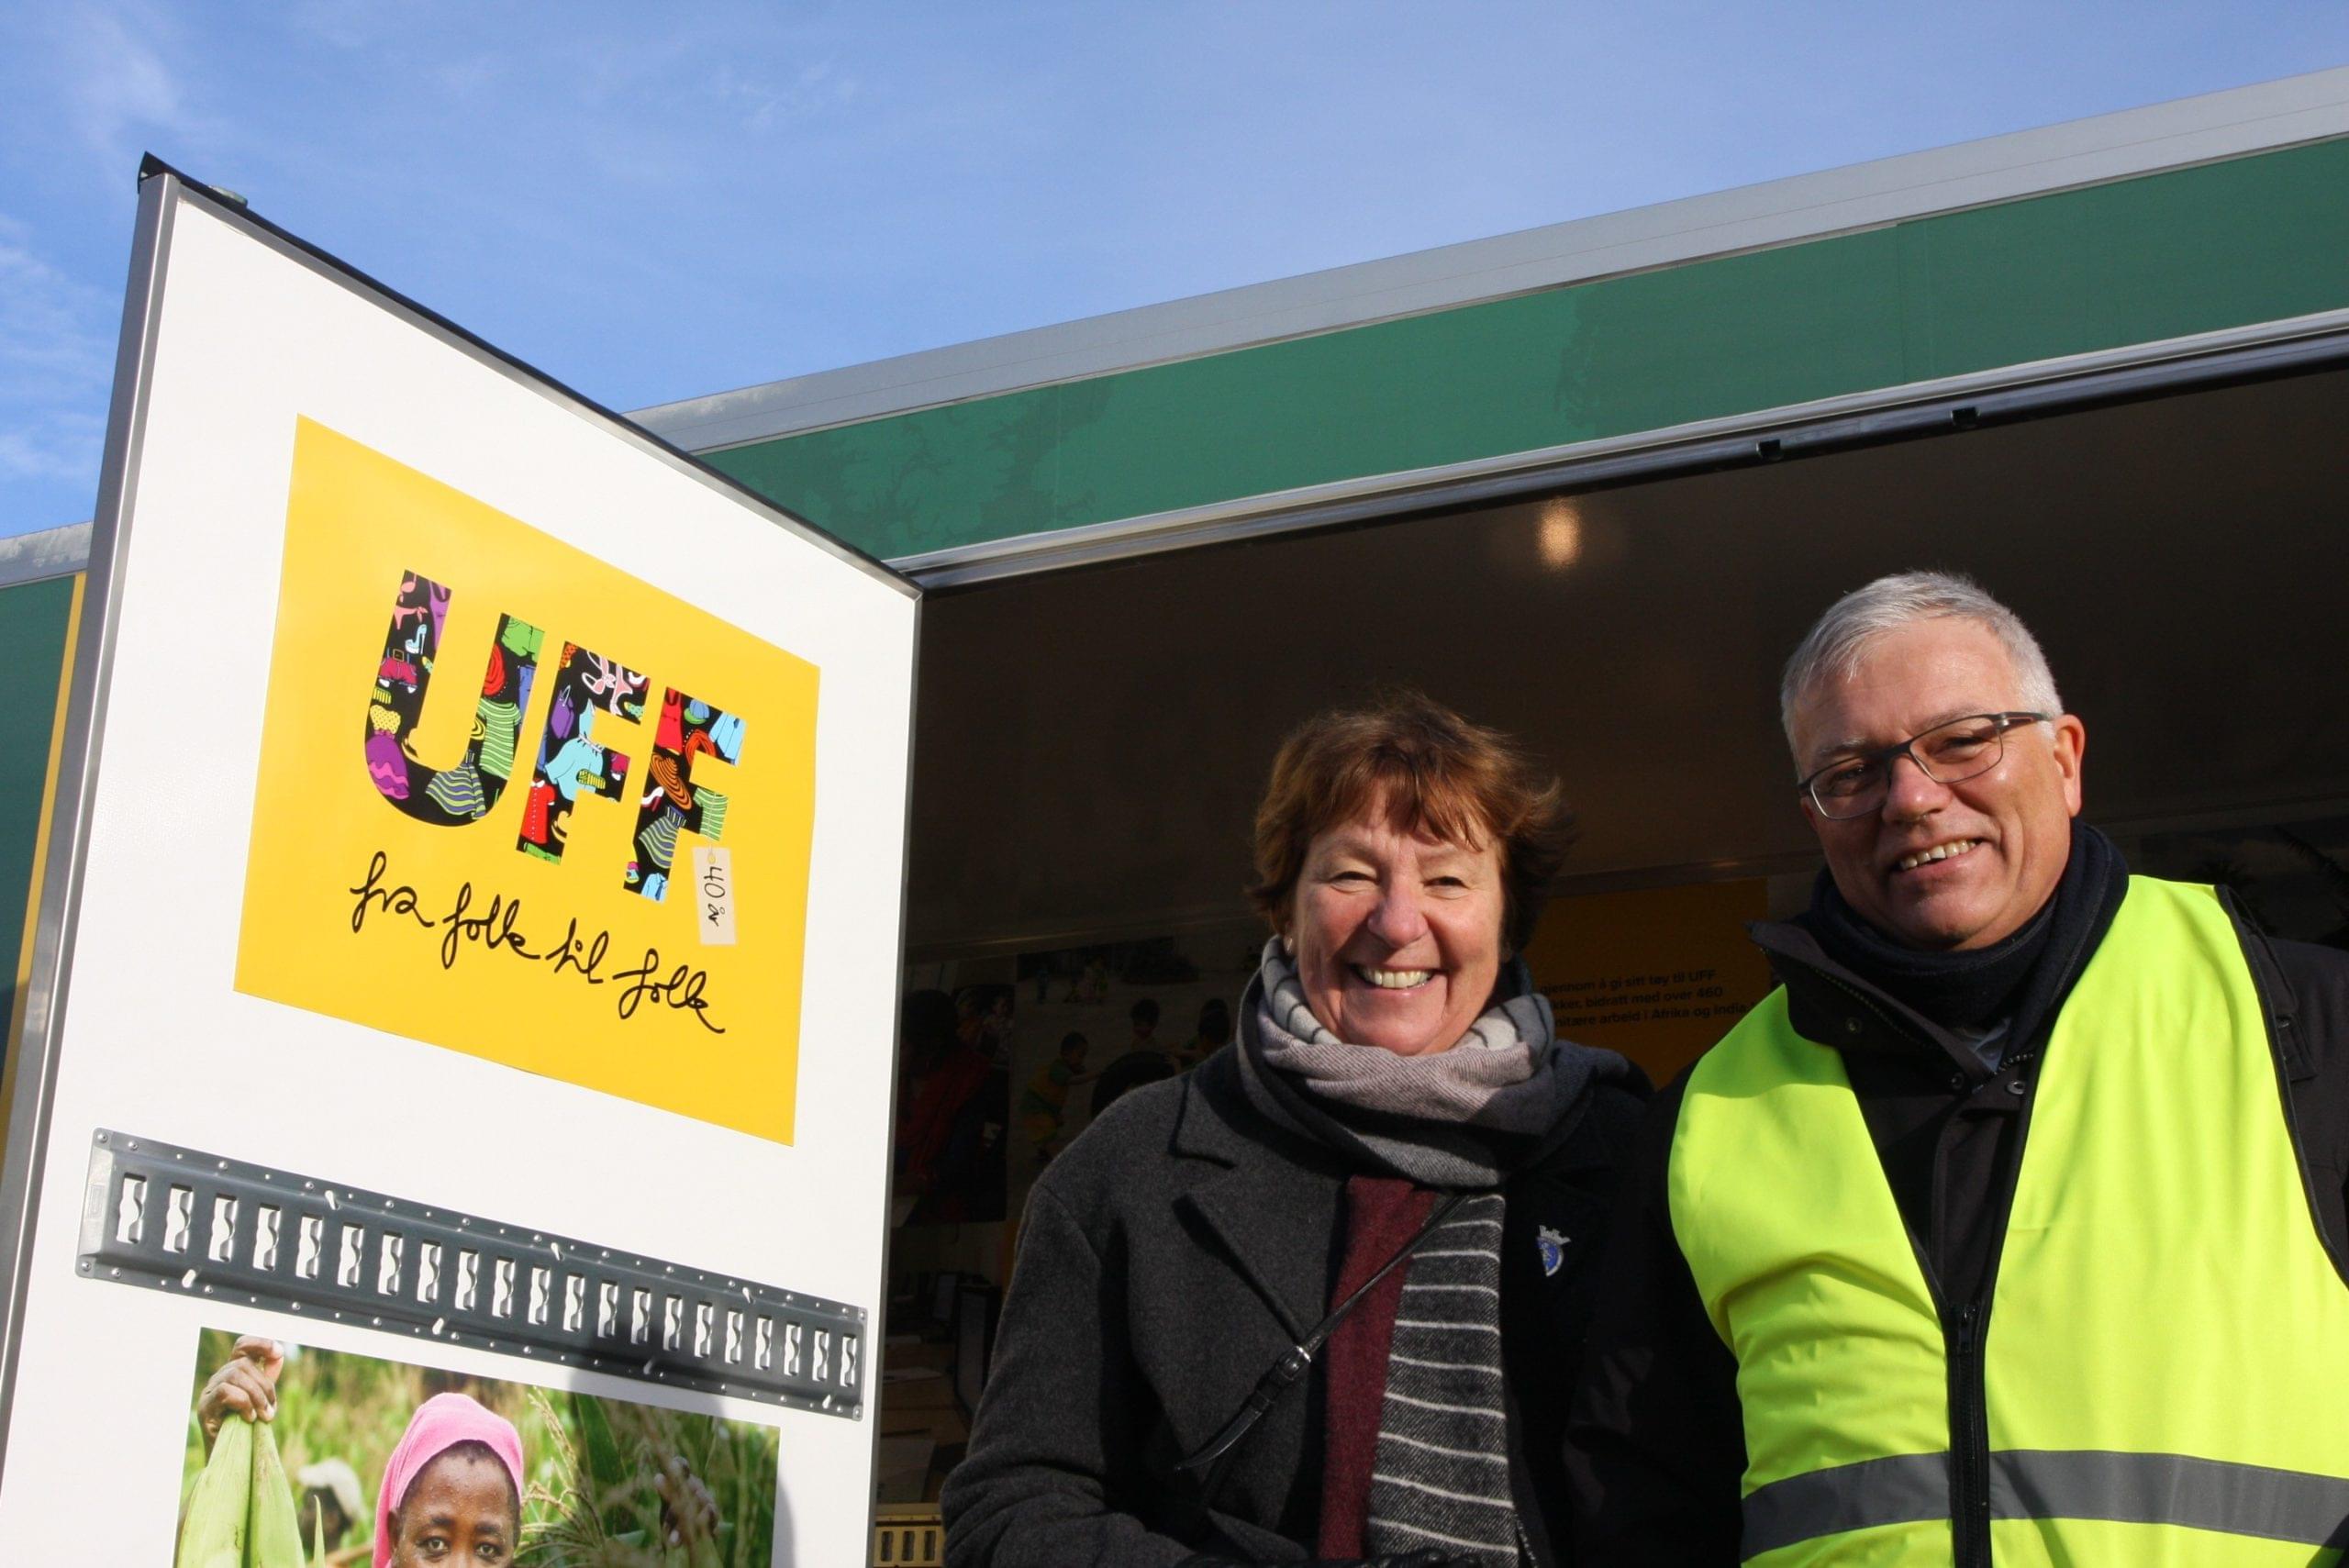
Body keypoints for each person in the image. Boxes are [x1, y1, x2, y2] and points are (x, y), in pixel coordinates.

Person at [1566, 571, 2349, 1563]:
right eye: (1849, 771)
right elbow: (1643, 1498)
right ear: (1813, 813)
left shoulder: (2309, 1028)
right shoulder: (1709, 1113)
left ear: (2064, 759)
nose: (1912, 796)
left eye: (1962, 739)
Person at [946, 693, 1647, 1567]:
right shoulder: (1129, 1168)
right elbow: (1010, 1509)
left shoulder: (1628, 1155)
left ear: (1507, 925)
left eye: (1447, 879)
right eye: (1352, 873)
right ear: (1285, 905)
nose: (1397, 923)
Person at [1090, 997, 1177, 1118]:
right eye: (1135, 1024)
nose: (1136, 1028)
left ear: (1153, 1025)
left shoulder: (1151, 1045)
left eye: (1140, 1025)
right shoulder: (1137, 1042)